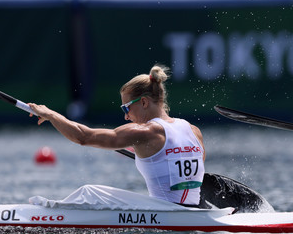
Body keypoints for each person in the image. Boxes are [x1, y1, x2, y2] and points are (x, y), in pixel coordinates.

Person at [28, 64, 206, 207]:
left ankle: (48, 214)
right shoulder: (193, 130)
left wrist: (51, 114)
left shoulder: (145, 132)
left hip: (166, 214)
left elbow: (84, 137)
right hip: (192, 212)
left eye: (126, 108)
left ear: (143, 102)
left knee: (89, 192)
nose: (126, 116)